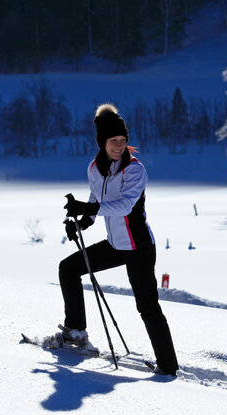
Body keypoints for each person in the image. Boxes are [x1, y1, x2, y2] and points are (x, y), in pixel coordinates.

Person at [58, 103, 179, 376]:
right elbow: (95, 200)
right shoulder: (94, 168)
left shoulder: (134, 170)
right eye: (114, 141)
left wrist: (88, 210)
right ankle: (75, 332)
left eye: (123, 141)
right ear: (102, 142)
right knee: (69, 268)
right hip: (116, 245)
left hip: (139, 247)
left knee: (146, 306)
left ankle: (168, 367)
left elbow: (124, 206)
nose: (119, 146)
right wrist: (80, 223)